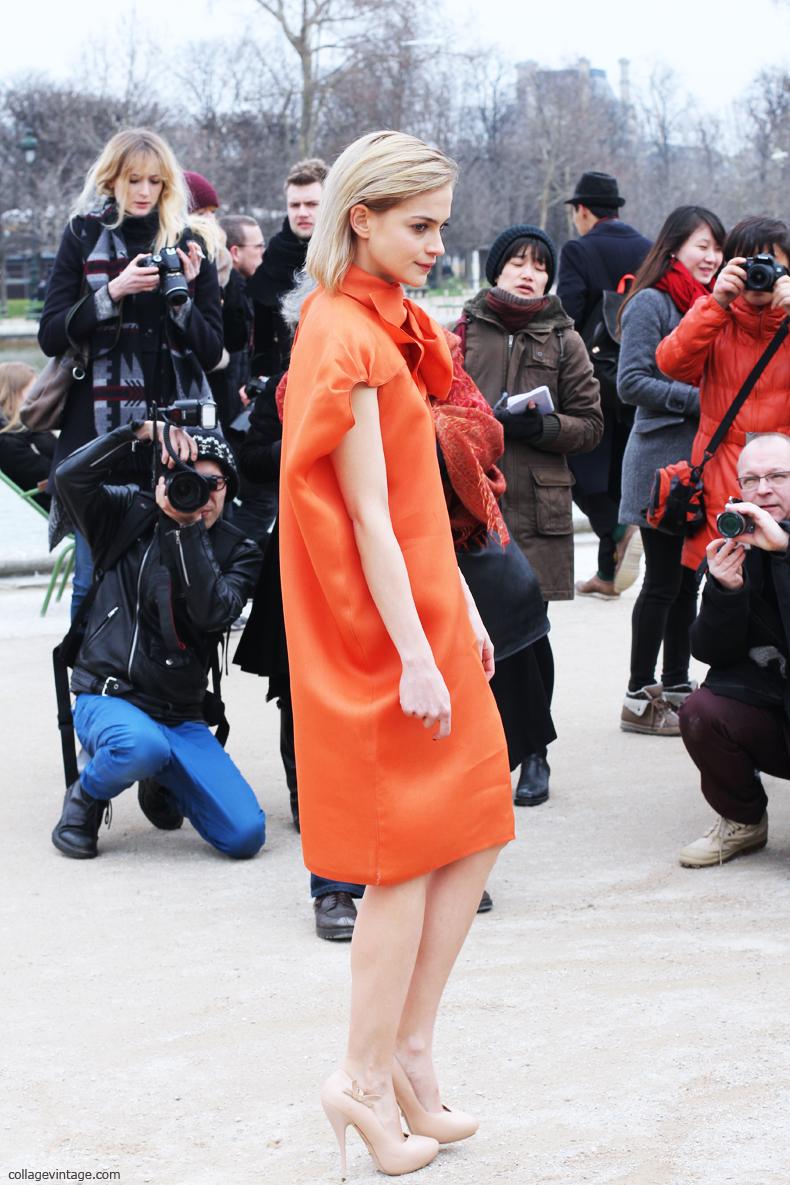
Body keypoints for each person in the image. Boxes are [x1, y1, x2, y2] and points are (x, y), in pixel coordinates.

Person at [279, 130, 514, 1176]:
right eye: (418, 226)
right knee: (406, 860)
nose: (435, 245)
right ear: (357, 218)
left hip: (422, 611)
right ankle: (364, 1082)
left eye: (441, 226)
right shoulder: (347, 333)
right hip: (386, 633)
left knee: (474, 829)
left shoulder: (385, 326)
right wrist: (417, 650)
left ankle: (407, 1056)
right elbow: (369, 519)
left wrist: (457, 599)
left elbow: (414, 509)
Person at [50, 417, 265, 861]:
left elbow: (213, 613)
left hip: (179, 715)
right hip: (110, 696)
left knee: (245, 835)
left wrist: (185, 530)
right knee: (139, 745)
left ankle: (160, 771)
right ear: (164, 480)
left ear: (230, 487)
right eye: (188, 479)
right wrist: (136, 433)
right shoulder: (128, 513)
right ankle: (85, 797)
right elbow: (67, 478)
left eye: (214, 482)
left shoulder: (239, 549)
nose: (201, 494)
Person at [38, 128, 224, 617]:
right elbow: (51, 334)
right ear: (112, 179)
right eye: (133, 180)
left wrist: (182, 296)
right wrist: (112, 292)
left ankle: (159, 687)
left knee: (169, 582)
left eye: (156, 182)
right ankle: (87, 691)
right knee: (89, 580)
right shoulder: (82, 234)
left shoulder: (188, 242)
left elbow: (211, 352)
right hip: (96, 438)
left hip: (172, 435)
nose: (144, 192)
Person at [455, 223, 602, 805]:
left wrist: (538, 426)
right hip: (474, 505)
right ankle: (486, 747)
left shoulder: (564, 339)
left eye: (539, 265)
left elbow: (590, 426)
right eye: (517, 261)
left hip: (538, 508)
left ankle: (534, 753)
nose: (527, 272)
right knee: (479, 634)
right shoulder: (461, 333)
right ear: (496, 268)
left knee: (531, 635)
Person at [617, 206, 726, 736]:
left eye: (717, 247)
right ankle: (639, 695)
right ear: (675, 246)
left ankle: (678, 686)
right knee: (661, 583)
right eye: (701, 245)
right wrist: (703, 401)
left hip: (701, 467)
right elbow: (630, 382)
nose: (711, 256)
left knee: (689, 584)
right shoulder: (652, 301)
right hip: (660, 465)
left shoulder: (711, 308)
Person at [677, 433, 790, 867]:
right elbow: (709, 651)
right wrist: (727, 591)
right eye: (752, 480)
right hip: (769, 706)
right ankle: (743, 820)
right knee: (701, 710)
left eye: (777, 476)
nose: (763, 490)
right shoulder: (737, 544)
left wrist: (783, 552)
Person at [656, 215, 790, 575]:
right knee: (725, 590)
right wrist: (715, 303)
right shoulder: (717, 318)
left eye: (772, 263)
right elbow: (670, 363)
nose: (759, 275)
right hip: (722, 481)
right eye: (749, 263)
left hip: (785, 478)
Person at [557, 170, 651, 599]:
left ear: (582, 210)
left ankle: (618, 530)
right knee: (618, 471)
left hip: (591, 378)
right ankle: (608, 573)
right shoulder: (648, 249)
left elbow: (568, 316)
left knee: (578, 471)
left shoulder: (578, 249)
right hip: (639, 374)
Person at [248, 157, 328, 379]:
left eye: (312, 204)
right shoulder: (273, 257)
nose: (302, 212)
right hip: (279, 385)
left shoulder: (348, 256)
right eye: (295, 205)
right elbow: (261, 342)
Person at [0, 362, 55, 509]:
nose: (40, 396)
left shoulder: (29, 428)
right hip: (48, 508)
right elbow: (46, 477)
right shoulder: (8, 440)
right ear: (13, 393)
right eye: (34, 390)